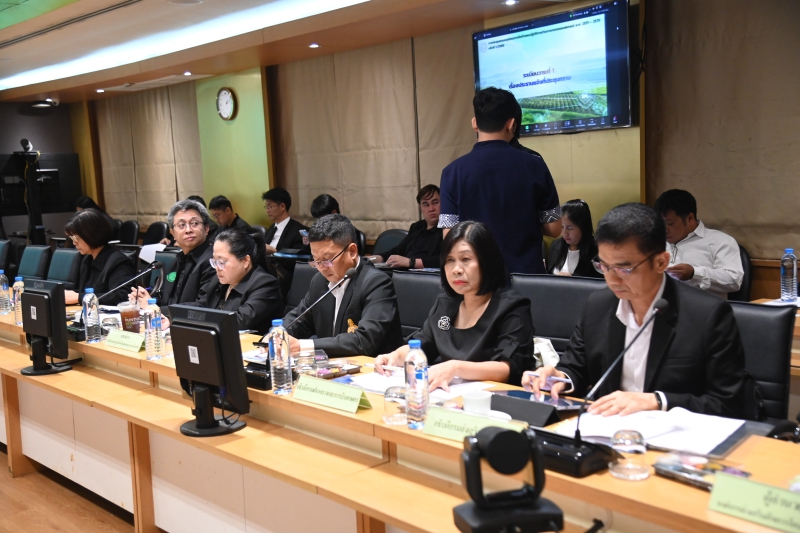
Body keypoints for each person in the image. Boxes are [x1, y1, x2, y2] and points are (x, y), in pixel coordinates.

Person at [523, 203, 746, 418]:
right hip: (607, 428)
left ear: (661, 262)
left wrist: (657, 401)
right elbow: (576, 368)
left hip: (675, 434)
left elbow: (731, 404)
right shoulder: (598, 305)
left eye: (624, 269)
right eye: (604, 266)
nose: (612, 280)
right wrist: (559, 377)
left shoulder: (707, 315)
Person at [374, 221, 534, 390]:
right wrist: (395, 356)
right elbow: (421, 345)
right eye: (450, 260)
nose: (456, 269)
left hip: (496, 398)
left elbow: (509, 368)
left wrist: (455, 368)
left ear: (487, 261)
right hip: (449, 397)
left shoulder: (512, 306)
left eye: (466, 259)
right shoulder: (446, 303)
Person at [438, 87, 562, 274]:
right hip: (525, 277)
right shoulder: (534, 164)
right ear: (511, 124)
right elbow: (554, 228)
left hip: (477, 278)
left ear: (474, 123)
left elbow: (450, 234)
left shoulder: (451, 172)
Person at [279, 214, 403, 357]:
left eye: (327, 259)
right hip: (332, 365)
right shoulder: (319, 281)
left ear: (352, 251)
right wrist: (278, 334)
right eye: (316, 260)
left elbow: (364, 341)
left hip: (373, 366)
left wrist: (302, 346)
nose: (321, 267)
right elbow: (298, 321)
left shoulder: (377, 283)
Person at [654, 189, 744, 299]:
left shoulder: (720, 241)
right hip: (661, 305)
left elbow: (734, 280)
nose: (665, 229)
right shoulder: (656, 242)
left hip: (704, 307)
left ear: (690, 219)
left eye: (670, 223)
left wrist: (694, 274)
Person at [191, 229, 283, 335]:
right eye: (214, 261)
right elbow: (201, 305)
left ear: (245, 261)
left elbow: (240, 321)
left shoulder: (265, 284)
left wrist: (202, 318)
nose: (217, 268)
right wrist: (175, 312)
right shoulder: (219, 280)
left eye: (221, 262)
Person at [131, 199, 215, 309]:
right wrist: (148, 301)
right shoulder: (176, 262)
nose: (188, 230)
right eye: (181, 225)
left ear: (206, 228)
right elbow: (169, 301)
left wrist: (156, 309)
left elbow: (203, 306)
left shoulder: (213, 261)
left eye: (194, 223)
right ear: (173, 233)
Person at [64, 209, 135, 305]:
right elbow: (83, 291)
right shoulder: (86, 259)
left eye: (76, 238)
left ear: (91, 234)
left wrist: (80, 297)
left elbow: (123, 296)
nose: (74, 243)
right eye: (71, 238)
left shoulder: (118, 262)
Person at [372, 185, 444, 269]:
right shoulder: (417, 227)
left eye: (435, 202)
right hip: (403, 271)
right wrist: (376, 258)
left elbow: (445, 258)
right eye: (426, 204)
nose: (431, 209)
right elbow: (398, 250)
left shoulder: (447, 229)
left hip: (425, 274)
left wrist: (411, 262)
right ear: (420, 208)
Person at [547, 199, 602, 278]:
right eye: (562, 227)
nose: (564, 233)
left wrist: (573, 280)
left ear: (583, 227)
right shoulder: (556, 245)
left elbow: (599, 282)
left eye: (570, 228)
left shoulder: (597, 251)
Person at [262, 187, 308, 254]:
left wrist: (275, 252)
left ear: (282, 206)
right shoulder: (271, 228)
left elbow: (297, 256)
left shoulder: (297, 231)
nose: (267, 210)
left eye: (270, 207)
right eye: (266, 207)